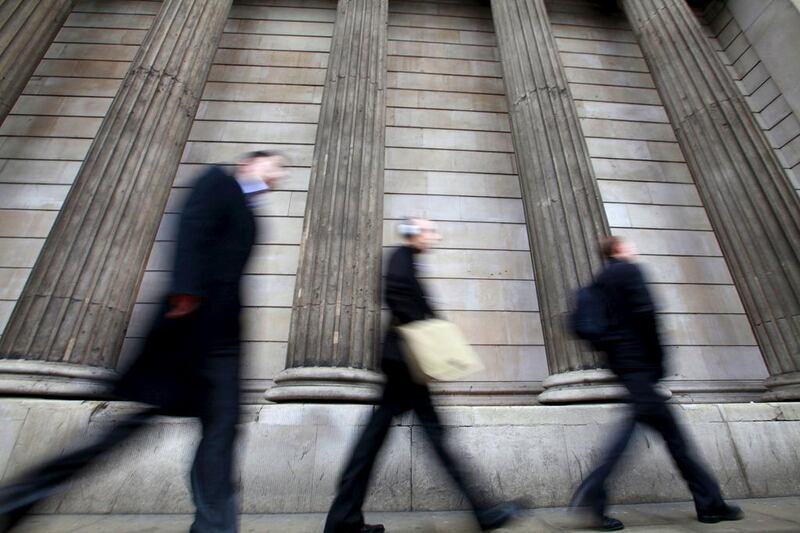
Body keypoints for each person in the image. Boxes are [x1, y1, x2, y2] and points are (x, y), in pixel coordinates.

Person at [0, 151, 286, 533]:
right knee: (126, 430)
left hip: (221, 341)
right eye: (274, 165)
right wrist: (184, 292)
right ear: (251, 163)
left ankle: (214, 527)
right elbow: (191, 228)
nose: (278, 174)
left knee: (223, 429)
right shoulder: (216, 182)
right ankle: (18, 499)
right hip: (187, 328)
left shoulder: (249, 208)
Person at [324, 217, 521, 533]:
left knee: (378, 441)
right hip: (406, 362)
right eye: (429, 231)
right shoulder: (401, 259)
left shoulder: (406, 260)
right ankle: (485, 512)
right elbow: (398, 295)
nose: (434, 236)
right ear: (413, 234)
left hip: (403, 362)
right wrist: (429, 329)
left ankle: (343, 520)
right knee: (432, 437)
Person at [569, 236, 744, 531]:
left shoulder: (600, 283)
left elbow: (591, 329)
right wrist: (658, 360)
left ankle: (710, 503)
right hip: (641, 365)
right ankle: (593, 490)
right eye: (628, 245)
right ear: (617, 250)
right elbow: (647, 314)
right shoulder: (629, 271)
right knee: (638, 437)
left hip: (625, 366)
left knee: (673, 438)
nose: (633, 248)